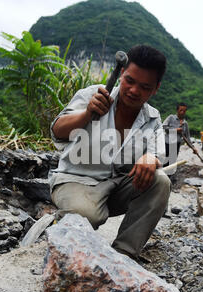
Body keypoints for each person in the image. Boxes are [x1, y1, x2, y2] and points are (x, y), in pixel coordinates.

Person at [48, 45, 170, 261]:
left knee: (160, 181)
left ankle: (123, 255)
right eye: (130, 81)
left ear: (156, 88)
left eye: (144, 86)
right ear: (122, 74)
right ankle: (61, 223)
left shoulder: (152, 117)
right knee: (86, 216)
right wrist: (86, 114)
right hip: (75, 180)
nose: (133, 90)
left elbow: (158, 151)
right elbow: (57, 130)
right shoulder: (93, 94)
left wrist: (151, 158)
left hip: (115, 187)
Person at [162, 103, 191, 167]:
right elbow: (164, 127)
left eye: (184, 111)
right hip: (167, 144)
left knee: (172, 163)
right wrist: (175, 130)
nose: (182, 112)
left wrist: (193, 148)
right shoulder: (171, 118)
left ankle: (169, 176)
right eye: (181, 110)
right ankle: (160, 175)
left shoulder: (185, 123)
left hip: (176, 145)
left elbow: (187, 137)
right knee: (164, 161)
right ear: (177, 110)